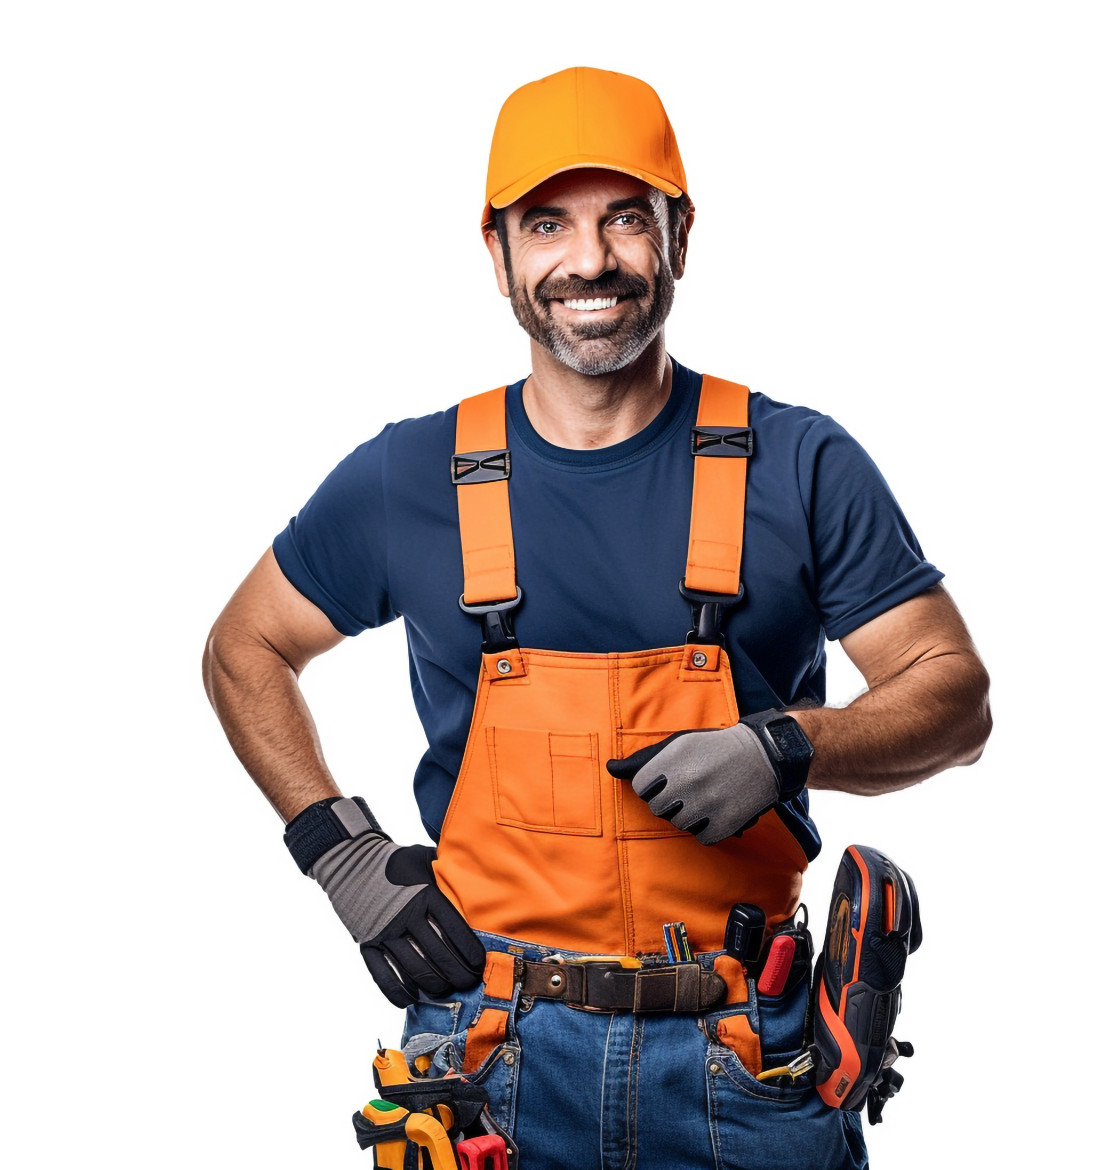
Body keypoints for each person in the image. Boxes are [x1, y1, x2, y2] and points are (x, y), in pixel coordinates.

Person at [203, 66, 991, 1170]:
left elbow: (951, 695)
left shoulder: (801, 463)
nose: (589, 261)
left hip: (746, 1058)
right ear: (498, 255)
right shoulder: (409, 476)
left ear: (679, 237)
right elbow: (245, 646)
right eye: (546, 225)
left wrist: (784, 744)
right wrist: (338, 853)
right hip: (484, 1059)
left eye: (627, 218)